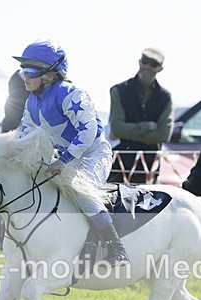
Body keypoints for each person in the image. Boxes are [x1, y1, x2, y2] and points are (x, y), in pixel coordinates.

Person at [13, 40, 128, 266]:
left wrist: (64, 160)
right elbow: (23, 134)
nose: (24, 76)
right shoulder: (31, 102)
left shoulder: (71, 94)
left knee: (82, 194)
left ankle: (117, 249)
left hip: (94, 153)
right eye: (22, 70)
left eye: (30, 71)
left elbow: (88, 132)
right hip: (68, 158)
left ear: (50, 75)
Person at [108, 47, 173, 184]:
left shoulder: (166, 97)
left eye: (153, 64)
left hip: (148, 166)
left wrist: (127, 132)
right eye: (145, 61)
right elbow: (117, 128)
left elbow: (164, 135)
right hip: (119, 163)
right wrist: (147, 126)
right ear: (139, 62)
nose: (148, 66)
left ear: (160, 68)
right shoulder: (118, 90)